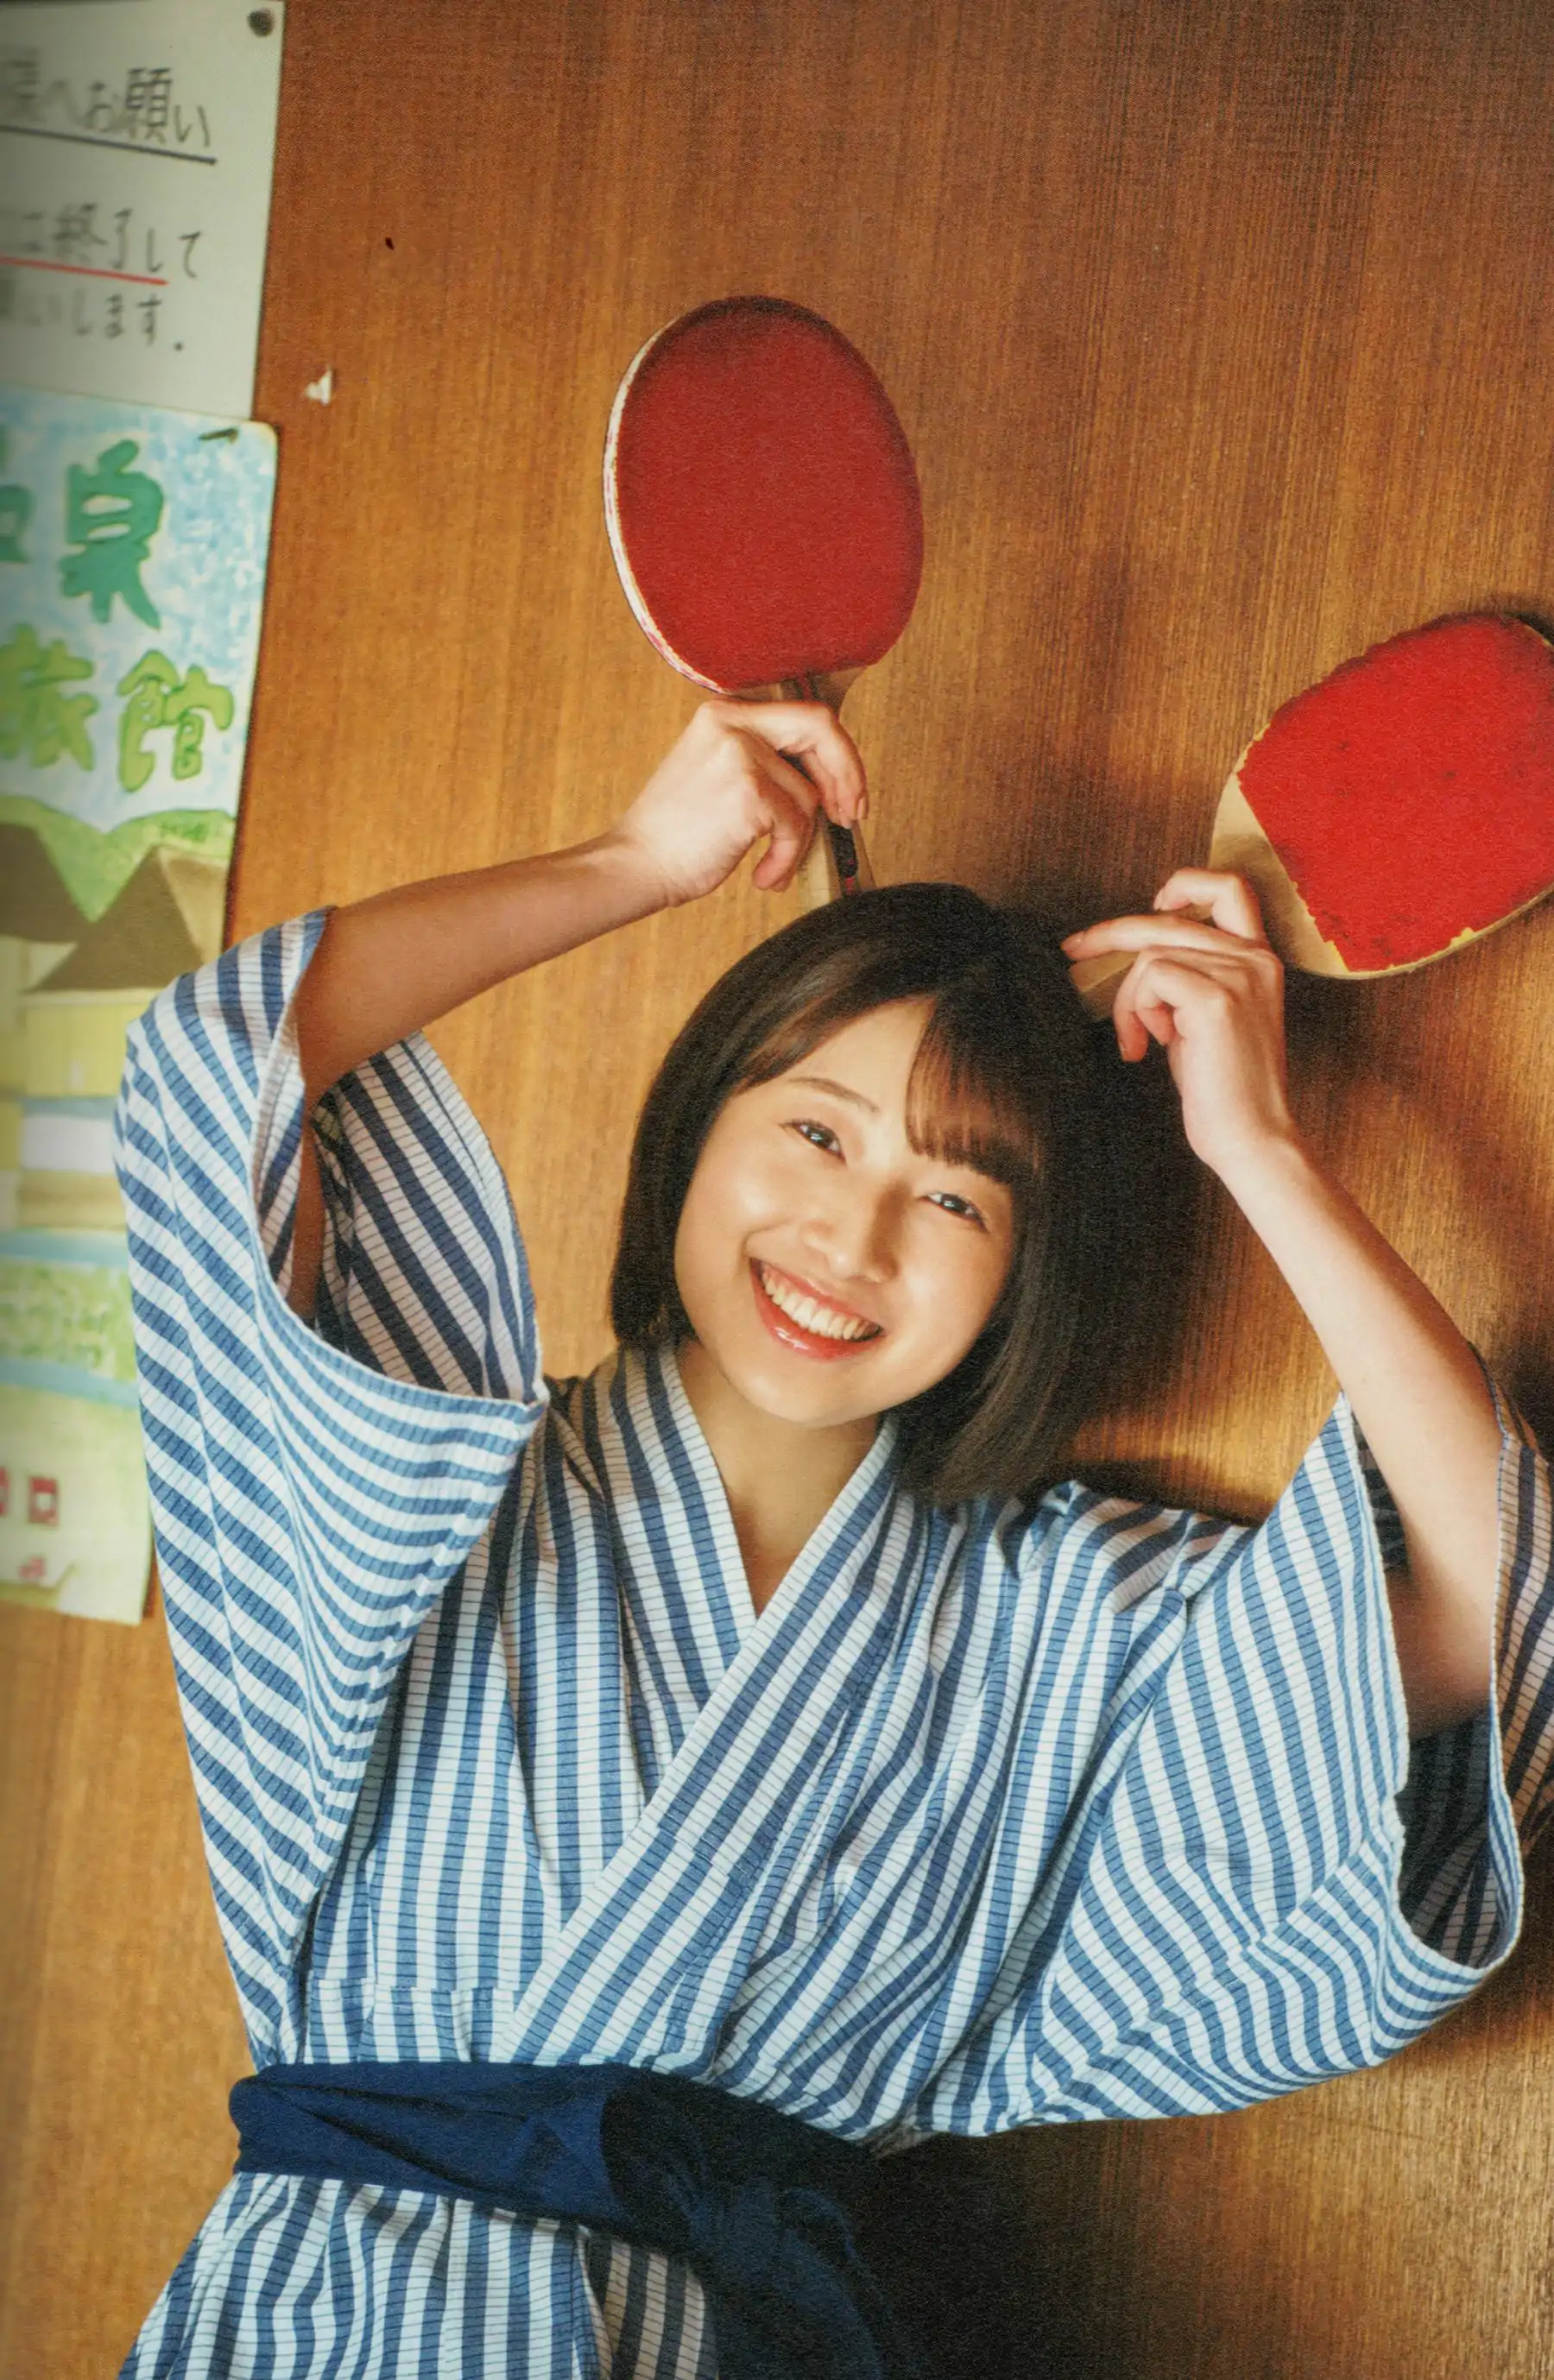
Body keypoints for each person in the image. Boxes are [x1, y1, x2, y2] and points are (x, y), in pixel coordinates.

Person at [114, 698, 1554, 2380]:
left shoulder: (1058, 1617)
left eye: (956, 1197)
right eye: (816, 1129)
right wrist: (636, 861)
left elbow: (1502, 1606)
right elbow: (214, 1073)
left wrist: (1259, 1144)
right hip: (321, 2322)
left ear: (1026, 1273)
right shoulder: (430, 1474)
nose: (853, 1237)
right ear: (702, 1118)